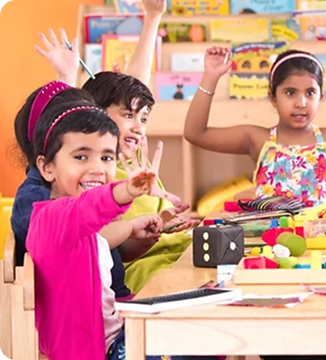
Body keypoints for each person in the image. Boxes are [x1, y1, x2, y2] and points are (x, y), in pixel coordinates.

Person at [25, 99, 211, 360]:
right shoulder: (51, 219)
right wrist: (127, 190)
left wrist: (136, 229)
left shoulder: (80, 225)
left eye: (106, 157)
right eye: (81, 157)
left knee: (207, 331)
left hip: (117, 334)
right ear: (47, 167)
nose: (98, 169)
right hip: (96, 352)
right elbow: (89, 208)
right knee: (203, 342)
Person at [184, 47, 326, 206]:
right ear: (273, 97)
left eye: (310, 93)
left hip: (323, 243)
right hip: (268, 243)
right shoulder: (257, 139)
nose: (301, 103)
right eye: (290, 92)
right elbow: (195, 134)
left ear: (321, 96)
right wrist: (210, 77)